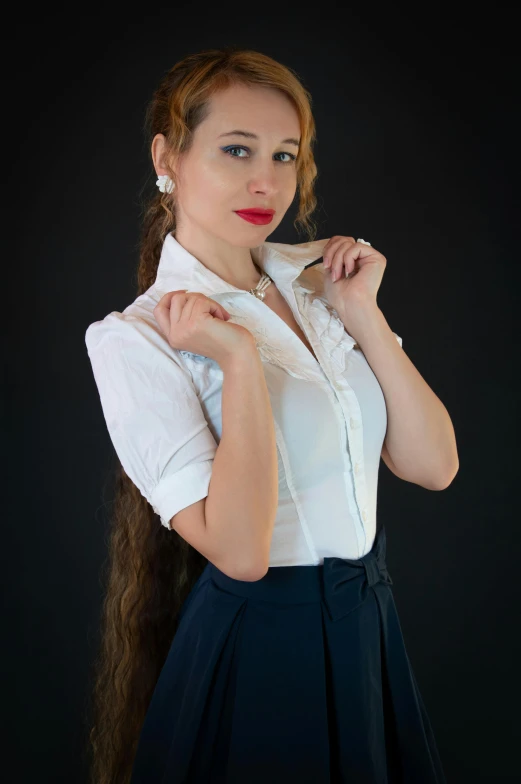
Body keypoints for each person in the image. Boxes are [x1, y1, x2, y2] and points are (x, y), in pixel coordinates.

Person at [84, 46, 449, 783]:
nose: (266, 180)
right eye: (236, 149)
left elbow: (432, 465)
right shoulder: (135, 338)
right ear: (168, 158)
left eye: (285, 154)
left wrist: (364, 317)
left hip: (366, 632)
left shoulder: (319, 285)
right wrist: (239, 360)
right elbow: (241, 554)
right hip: (261, 652)